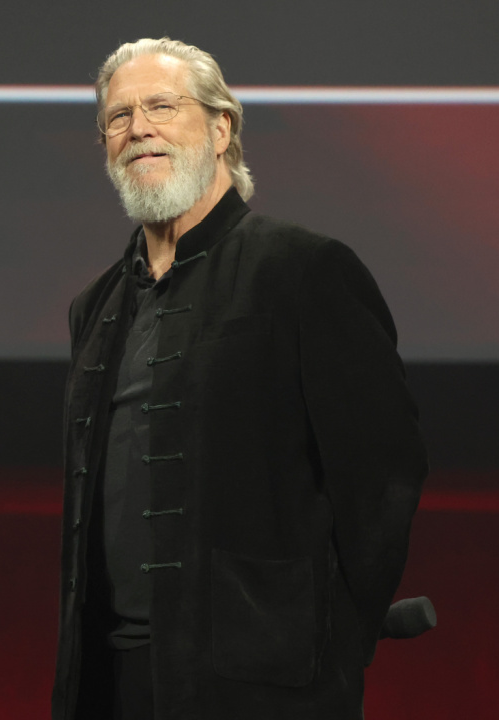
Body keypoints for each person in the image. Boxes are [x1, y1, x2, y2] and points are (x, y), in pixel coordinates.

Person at [53, 38, 428, 719]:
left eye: (162, 106)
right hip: (113, 680)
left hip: (263, 689)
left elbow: (382, 480)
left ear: (221, 127)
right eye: (118, 116)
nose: (138, 128)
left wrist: (334, 642)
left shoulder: (304, 271)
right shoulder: (96, 307)